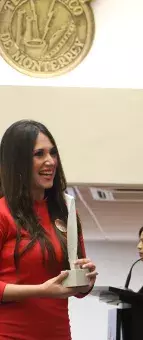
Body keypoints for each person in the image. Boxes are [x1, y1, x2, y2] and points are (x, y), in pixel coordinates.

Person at [0, 120, 98, 340]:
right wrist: (41, 291)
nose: (50, 161)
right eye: (39, 154)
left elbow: (76, 289)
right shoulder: (2, 213)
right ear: (17, 162)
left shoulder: (66, 214)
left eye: (53, 153)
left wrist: (85, 281)